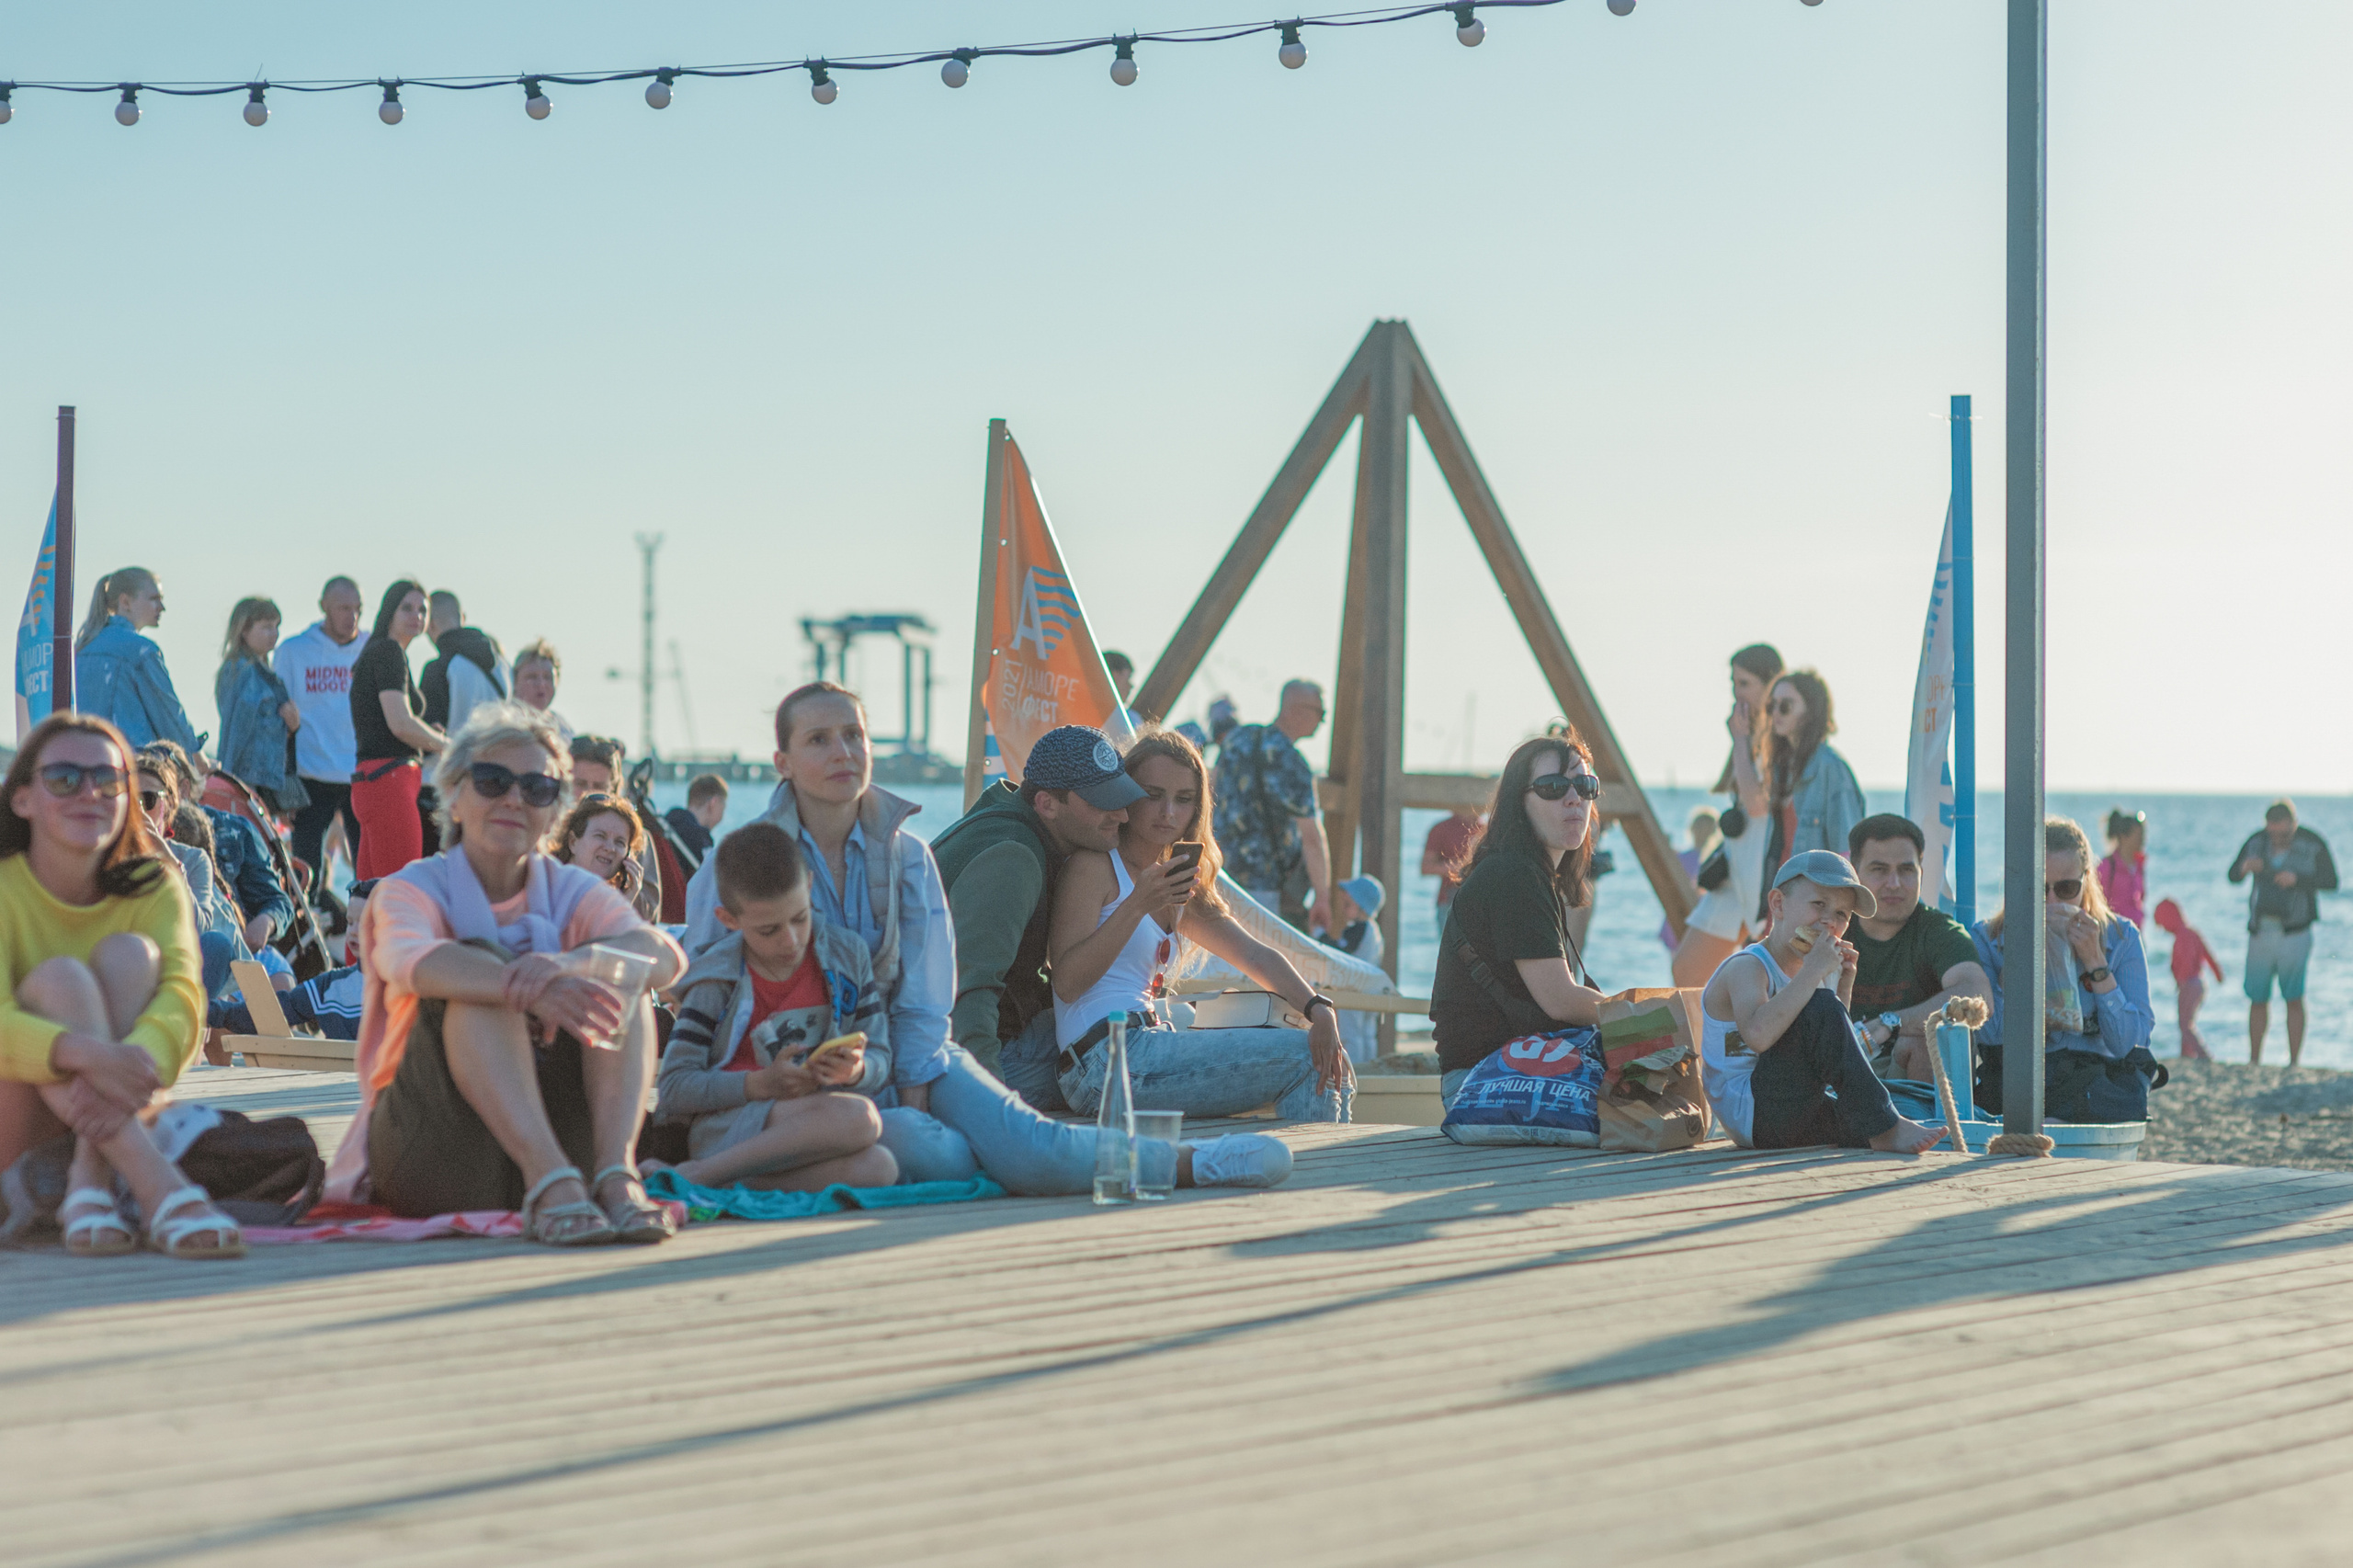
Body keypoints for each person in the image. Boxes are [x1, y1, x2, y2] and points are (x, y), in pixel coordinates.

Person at [325, 702, 687, 1243]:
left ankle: (616, 1175)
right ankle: (552, 1180)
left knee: (620, 973)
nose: (515, 799)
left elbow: (665, 958)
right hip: (435, 1147)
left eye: (537, 788)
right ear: (454, 795)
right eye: (493, 781)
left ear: (554, 810)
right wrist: (528, 989)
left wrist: (567, 964)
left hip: (564, 1145)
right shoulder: (412, 888)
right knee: (476, 969)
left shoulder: (569, 890)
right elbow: (412, 962)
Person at [0, 712, 244, 1256]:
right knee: (61, 979)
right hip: (12, 1127)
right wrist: (88, 1054)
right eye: (64, 778)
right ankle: (157, 1187)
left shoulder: (155, 885)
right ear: (22, 799)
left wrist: (134, 1059)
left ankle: (89, 1181)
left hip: (117, 1101)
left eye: (109, 780)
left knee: (132, 956)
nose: (89, 792)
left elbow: (185, 999)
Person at [1044, 727, 1354, 1122]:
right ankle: (1320, 1162)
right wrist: (1138, 904)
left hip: (1148, 1045)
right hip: (1102, 1060)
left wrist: (1319, 1009)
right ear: (1126, 794)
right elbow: (1067, 983)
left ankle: (1305, 1158)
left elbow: (1254, 955)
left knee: (1331, 1059)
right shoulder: (1094, 867)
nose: (1168, 812)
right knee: (1306, 1059)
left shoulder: (1176, 882)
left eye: (1184, 799)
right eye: (1153, 795)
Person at [654, 824, 897, 1191]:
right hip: (727, 1128)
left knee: (881, 1168)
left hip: (815, 1123)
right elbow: (674, 1086)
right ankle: (701, 1173)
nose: (791, 940)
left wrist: (856, 1071)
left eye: (800, 918)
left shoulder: (848, 956)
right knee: (861, 1118)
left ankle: (718, 1179)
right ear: (729, 919)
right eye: (769, 930)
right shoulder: (716, 980)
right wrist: (758, 1084)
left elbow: (879, 1053)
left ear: (809, 886)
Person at [933, 723, 1143, 1089]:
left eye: (1121, 798)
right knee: (1124, 1050)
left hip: (974, 1040)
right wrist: (986, 1103)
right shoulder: (1012, 859)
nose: (1122, 816)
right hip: (971, 1059)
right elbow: (968, 993)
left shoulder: (1012, 826)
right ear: (1047, 804)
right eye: (1101, 802)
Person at [1699, 852, 1945, 1153]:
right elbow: (1758, 1036)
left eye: (1842, 914)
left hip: (1791, 1108)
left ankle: (1885, 1129)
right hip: (1750, 1113)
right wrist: (1815, 973)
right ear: (1778, 904)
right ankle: (1888, 1126)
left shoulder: (1811, 971)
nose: (1829, 921)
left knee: (1866, 1123)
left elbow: (1831, 1052)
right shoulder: (1748, 967)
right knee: (1822, 1006)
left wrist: (1844, 986)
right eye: (1818, 904)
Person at [1429, 732, 1610, 1107]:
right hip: (1487, 1083)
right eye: (1553, 787)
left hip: (1509, 1071)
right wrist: (1643, 1016)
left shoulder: (1529, 873)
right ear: (1519, 802)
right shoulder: (1515, 875)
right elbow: (1560, 999)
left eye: (1585, 786)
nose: (1574, 798)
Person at [1970, 818, 2158, 1120]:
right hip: (2017, 1083)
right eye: (2038, 888)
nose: (2052, 901)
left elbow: (2129, 1043)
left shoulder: (2120, 938)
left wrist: (2096, 964)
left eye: (2067, 888)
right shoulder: (1989, 939)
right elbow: (1989, 1034)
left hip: (2094, 1088)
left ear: (2086, 881)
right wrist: (2016, 961)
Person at [1844, 813, 1992, 1081]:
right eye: (1879, 870)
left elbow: (1977, 996)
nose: (1894, 883)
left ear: (1921, 872)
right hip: (1840, 1069)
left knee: (1924, 1039)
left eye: (1906, 870)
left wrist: (1890, 1022)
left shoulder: (1939, 931)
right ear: (1854, 874)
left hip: (1910, 1071)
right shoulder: (1832, 926)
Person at [1672, 643, 1782, 987]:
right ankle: (1707, 1024)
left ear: (1771, 684)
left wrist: (1740, 740)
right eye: (1734, 683)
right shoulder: (1752, 734)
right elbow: (1728, 790)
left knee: (1764, 978)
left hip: (1763, 870)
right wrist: (1741, 740)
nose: (1738, 693)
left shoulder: (1781, 738)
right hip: (1734, 869)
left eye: (1745, 683)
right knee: (1688, 969)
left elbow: (1757, 804)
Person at [1211, 679, 1335, 930]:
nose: (1322, 721)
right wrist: (1322, 897)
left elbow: (1210, 794)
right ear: (1296, 710)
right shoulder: (1292, 762)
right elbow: (1311, 837)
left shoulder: (1236, 739)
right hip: (1264, 888)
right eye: (1320, 712)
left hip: (1220, 875)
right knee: (1258, 953)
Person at [348, 580, 447, 881]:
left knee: (370, 893)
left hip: (373, 781)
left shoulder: (380, 652)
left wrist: (427, 733)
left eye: (423, 610)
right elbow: (401, 724)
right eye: (407, 608)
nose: (416, 615)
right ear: (389, 611)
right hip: (389, 781)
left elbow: (391, 721)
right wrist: (447, 745)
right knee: (401, 888)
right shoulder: (388, 652)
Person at [2227, 799, 2337, 1067]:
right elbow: (2232, 876)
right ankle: (2254, 1060)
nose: (2277, 838)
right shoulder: (2256, 841)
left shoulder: (2312, 843)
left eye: (2283, 833)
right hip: (2261, 930)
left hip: (2295, 931)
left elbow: (2332, 882)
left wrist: (2297, 880)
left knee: (2294, 997)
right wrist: (2244, 868)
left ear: (2293, 824)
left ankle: (2294, 1061)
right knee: (2257, 998)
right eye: (2272, 833)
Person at [276, 576, 369, 892]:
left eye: (358, 609)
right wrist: (282, 780)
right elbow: (280, 719)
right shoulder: (294, 651)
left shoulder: (372, 648)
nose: (352, 616)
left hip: (360, 773)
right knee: (306, 871)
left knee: (367, 870)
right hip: (312, 773)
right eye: (343, 608)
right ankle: (304, 921)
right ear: (324, 607)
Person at [71, 567, 206, 756]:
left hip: (84, 759)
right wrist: (195, 755)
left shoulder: (81, 648)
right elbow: (169, 715)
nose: (162, 607)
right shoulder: (141, 650)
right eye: (154, 599)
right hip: (132, 764)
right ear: (125, 601)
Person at [1761, 669, 1864, 901]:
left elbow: (1846, 852)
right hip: (1782, 899)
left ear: (1810, 712)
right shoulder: (1780, 769)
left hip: (1814, 902)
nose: (1776, 713)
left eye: (1785, 706)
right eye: (1771, 706)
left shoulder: (1831, 768)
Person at [211, 597, 310, 818]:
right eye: (266, 627)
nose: (274, 633)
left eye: (276, 626)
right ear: (244, 631)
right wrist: (228, 778)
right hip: (248, 778)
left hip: (264, 777)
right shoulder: (242, 671)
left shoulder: (265, 673)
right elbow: (235, 731)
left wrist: (292, 726)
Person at [568, 736, 661, 916]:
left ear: (615, 789)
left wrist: (626, 887)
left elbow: (651, 914)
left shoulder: (636, 839)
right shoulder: (547, 831)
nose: (587, 793)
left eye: (598, 787)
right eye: (580, 784)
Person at [551, 792, 660, 922]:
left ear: (628, 855)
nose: (610, 848)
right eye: (600, 836)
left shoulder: (607, 899)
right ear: (573, 842)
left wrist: (627, 898)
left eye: (619, 842)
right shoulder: (548, 888)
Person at [419, 591, 510, 738]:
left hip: (455, 751)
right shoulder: (503, 666)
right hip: (497, 750)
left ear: (430, 624)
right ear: (463, 618)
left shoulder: (438, 669)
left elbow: (429, 731)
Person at [1320, 874, 1385, 1062]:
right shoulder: (1374, 930)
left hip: (1354, 988)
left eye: (1348, 904)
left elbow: (1338, 952)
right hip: (1371, 989)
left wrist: (1320, 935)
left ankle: (1355, 1067)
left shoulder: (1358, 929)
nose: (1343, 908)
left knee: (1350, 1033)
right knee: (1367, 1033)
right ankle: (1369, 1066)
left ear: (1361, 907)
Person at [2154, 898, 2221, 1062]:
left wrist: (2181, 981)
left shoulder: (2182, 937)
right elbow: (2208, 955)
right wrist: (2217, 973)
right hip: (2199, 983)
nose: (2165, 930)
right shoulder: (2192, 933)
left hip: (2189, 984)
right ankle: (2186, 1055)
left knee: (2185, 1024)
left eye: (2163, 925)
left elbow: (2185, 962)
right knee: (2186, 1021)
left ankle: (2203, 1054)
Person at [1660, 806, 1720, 953]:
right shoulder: (1718, 862)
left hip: (1677, 918)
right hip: (1705, 923)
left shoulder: (1679, 858)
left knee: (1677, 964)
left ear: (1692, 830)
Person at [1421, 804, 1485, 915]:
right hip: (1450, 898)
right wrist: (1464, 867)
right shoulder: (1442, 828)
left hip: (1483, 899)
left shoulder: (1488, 829)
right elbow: (1426, 867)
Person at [665, 773, 729, 876]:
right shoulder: (701, 839)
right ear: (713, 803)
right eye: (723, 807)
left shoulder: (666, 824)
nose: (723, 814)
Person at [509, 639, 573, 741]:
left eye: (547, 677)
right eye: (532, 677)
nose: (541, 684)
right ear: (515, 681)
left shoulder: (563, 728)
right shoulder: (504, 723)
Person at [2098, 809, 2149, 930]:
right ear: (2123, 837)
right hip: (2114, 935)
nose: (2142, 841)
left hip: (2136, 934)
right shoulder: (2107, 866)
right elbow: (2097, 904)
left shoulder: (2139, 865)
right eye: (2138, 836)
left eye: (2143, 835)